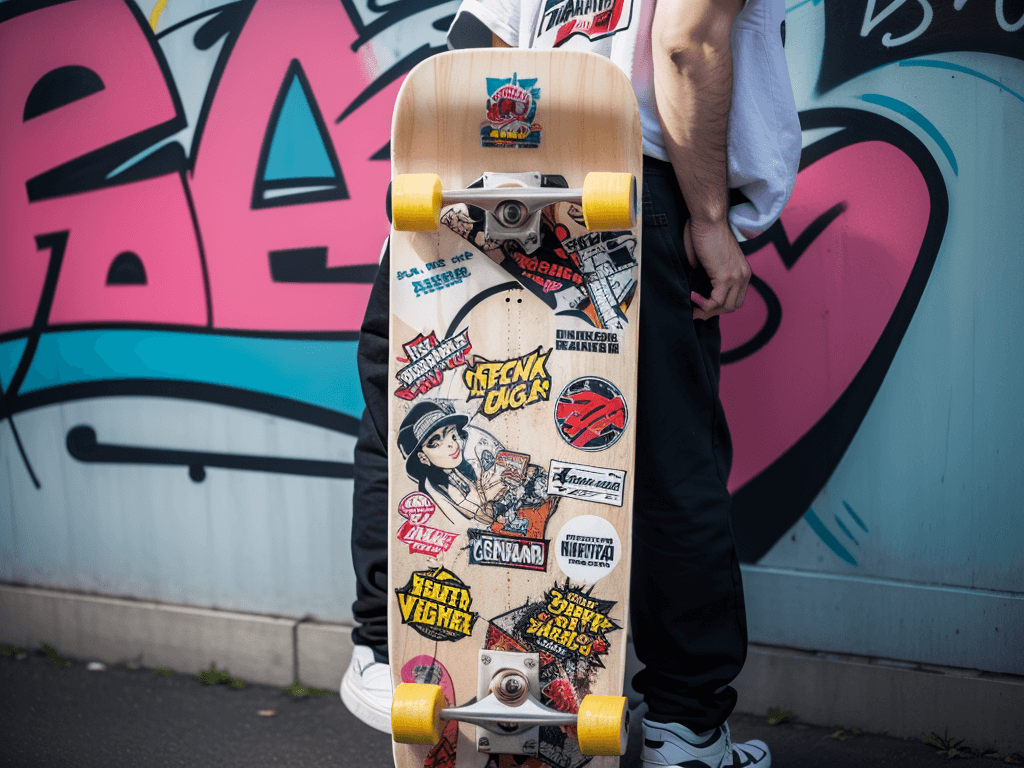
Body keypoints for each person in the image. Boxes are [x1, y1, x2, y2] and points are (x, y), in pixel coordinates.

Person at [341, 0, 801, 764]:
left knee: (412, 407)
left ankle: (392, 658)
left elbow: (472, 49)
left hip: (464, 183)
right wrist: (711, 219)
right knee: (665, 457)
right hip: (624, 189)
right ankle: (684, 728)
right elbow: (687, 40)